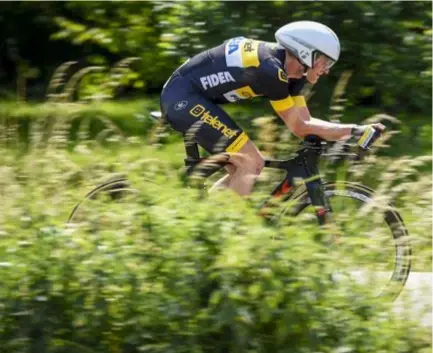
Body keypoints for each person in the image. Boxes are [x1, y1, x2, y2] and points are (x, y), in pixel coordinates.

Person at [160, 20, 384, 196]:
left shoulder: (295, 75)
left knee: (242, 171)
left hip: (193, 97)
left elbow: (304, 123)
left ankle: (207, 224)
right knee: (250, 163)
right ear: (306, 53)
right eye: (325, 61)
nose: (327, 70)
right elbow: (299, 126)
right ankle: (228, 236)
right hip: (183, 99)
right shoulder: (271, 69)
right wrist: (353, 130)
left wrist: (348, 132)